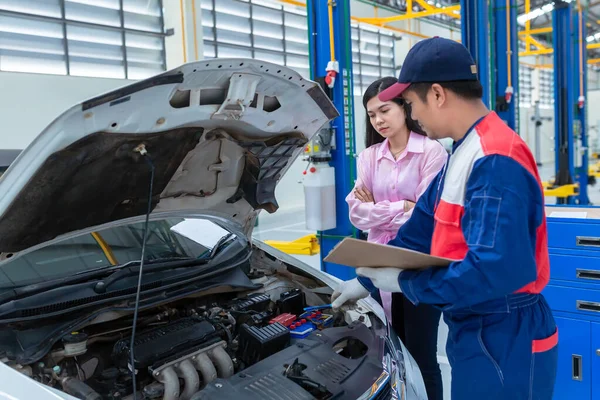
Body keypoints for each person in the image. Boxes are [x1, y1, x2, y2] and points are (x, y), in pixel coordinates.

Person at [332, 37, 558, 399]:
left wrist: (408, 284)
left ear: (436, 94)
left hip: (506, 330)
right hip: (474, 324)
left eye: (409, 103)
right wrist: (367, 281)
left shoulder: (495, 157)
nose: (413, 115)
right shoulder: (462, 152)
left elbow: (495, 269)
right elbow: (420, 229)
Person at [345, 76, 447, 400]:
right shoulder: (369, 157)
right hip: (375, 261)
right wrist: (402, 206)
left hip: (418, 262)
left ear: (403, 106)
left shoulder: (432, 153)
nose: (379, 120)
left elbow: (425, 217)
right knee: (383, 353)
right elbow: (355, 213)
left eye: (384, 110)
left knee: (421, 356)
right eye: (372, 114)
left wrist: (378, 207)